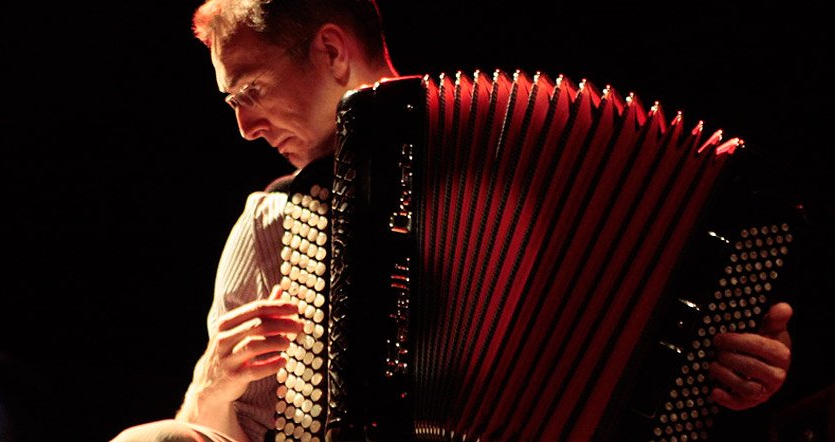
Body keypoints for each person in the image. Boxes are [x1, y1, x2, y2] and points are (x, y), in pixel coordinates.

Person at [111, 1, 794, 441]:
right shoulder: (272, 221)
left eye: (251, 92)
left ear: (330, 50)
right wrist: (215, 382)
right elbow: (198, 429)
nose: (245, 128)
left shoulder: (530, 154)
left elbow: (654, 338)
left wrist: (730, 373)